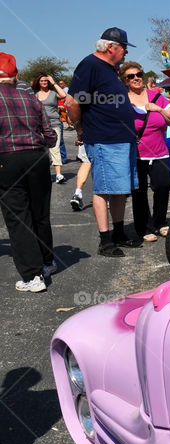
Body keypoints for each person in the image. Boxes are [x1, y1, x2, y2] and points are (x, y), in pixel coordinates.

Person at [64, 27, 141, 257]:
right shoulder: (90, 65)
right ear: (111, 47)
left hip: (121, 139)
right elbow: (71, 102)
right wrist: (80, 129)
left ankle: (119, 233)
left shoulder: (110, 69)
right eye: (124, 48)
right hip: (104, 139)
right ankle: (105, 241)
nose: (126, 52)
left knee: (120, 190)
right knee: (104, 189)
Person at [0, 52, 58, 292]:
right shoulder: (32, 99)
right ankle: (47, 262)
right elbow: (51, 136)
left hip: (7, 160)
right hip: (37, 158)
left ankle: (33, 276)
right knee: (40, 213)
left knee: (18, 219)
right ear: (16, 76)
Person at [121, 61, 170, 241]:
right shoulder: (122, 101)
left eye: (138, 74)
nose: (136, 78)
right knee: (139, 192)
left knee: (162, 186)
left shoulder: (156, 96)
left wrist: (158, 109)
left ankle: (160, 222)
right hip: (136, 154)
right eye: (131, 76)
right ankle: (144, 227)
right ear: (125, 81)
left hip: (160, 151)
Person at [31, 74, 67, 183]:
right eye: (42, 81)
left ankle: (58, 175)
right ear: (38, 82)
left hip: (54, 123)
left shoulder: (53, 93)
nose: (44, 82)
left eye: (46, 81)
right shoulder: (35, 95)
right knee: (42, 151)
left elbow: (63, 94)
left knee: (55, 148)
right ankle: (44, 174)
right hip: (39, 125)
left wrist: (53, 82)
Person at [70, 139, 91, 211]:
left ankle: (77, 193)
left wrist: (80, 136)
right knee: (105, 163)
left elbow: (77, 127)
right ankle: (107, 196)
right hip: (108, 137)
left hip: (87, 135)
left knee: (86, 163)